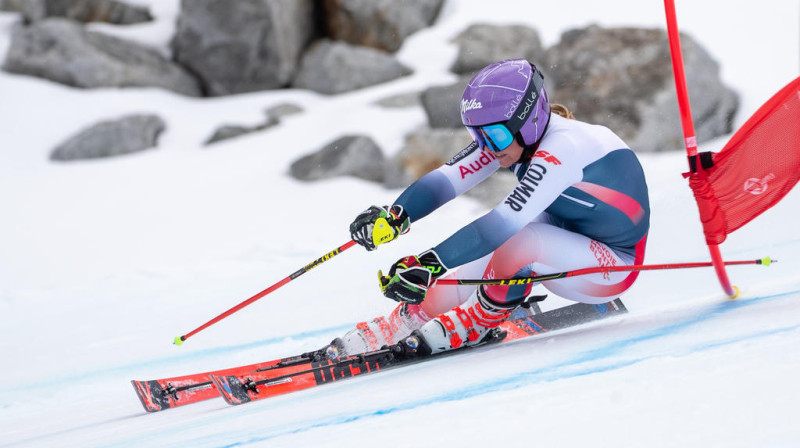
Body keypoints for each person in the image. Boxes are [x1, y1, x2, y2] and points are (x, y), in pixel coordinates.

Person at [342, 58, 650, 356]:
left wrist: (430, 264)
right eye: (478, 135)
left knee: (518, 241)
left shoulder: (563, 148)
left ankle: (478, 320)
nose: (487, 146)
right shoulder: (510, 140)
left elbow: (502, 222)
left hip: (612, 266)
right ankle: (403, 323)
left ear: (528, 122)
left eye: (494, 136)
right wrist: (396, 216)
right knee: (477, 267)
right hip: (566, 235)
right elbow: (446, 181)